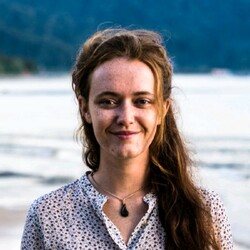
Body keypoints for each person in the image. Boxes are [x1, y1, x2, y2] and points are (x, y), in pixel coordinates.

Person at [21, 28, 233, 250]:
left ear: (162, 109)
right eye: (108, 101)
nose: (126, 118)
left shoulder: (205, 212)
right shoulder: (47, 215)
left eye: (141, 101)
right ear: (85, 108)